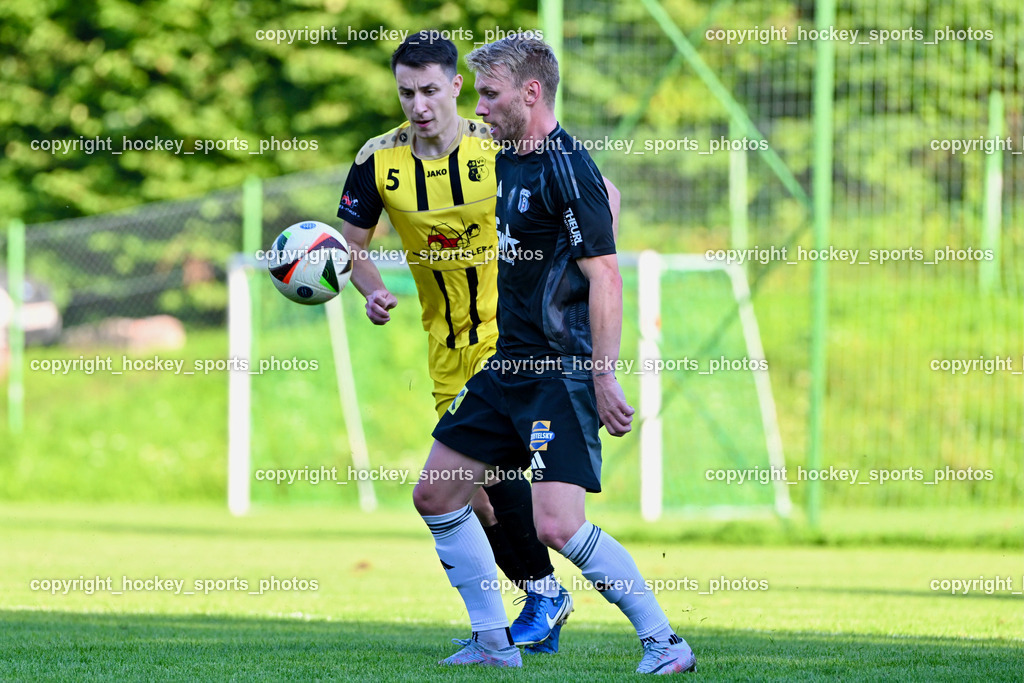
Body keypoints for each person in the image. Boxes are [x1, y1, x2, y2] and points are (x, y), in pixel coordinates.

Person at [412, 35, 697, 674]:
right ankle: (493, 643)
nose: (479, 107)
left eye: (489, 94)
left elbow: (607, 276)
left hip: (557, 373)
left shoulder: (567, 166)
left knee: (558, 527)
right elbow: (608, 198)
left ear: (531, 92)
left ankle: (663, 641)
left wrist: (602, 376)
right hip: (505, 365)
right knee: (436, 493)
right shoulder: (512, 154)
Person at [336, 31, 619, 654]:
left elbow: (602, 198)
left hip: (512, 340)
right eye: (406, 92)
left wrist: (570, 284)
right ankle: (536, 602)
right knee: (479, 499)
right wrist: (371, 290)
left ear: (456, 87)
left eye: (431, 90)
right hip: (445, 347)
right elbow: (351, 249)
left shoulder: (496, 143)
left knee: (483, 481)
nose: (419, 105)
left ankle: (537, 604)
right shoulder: (377, 159)